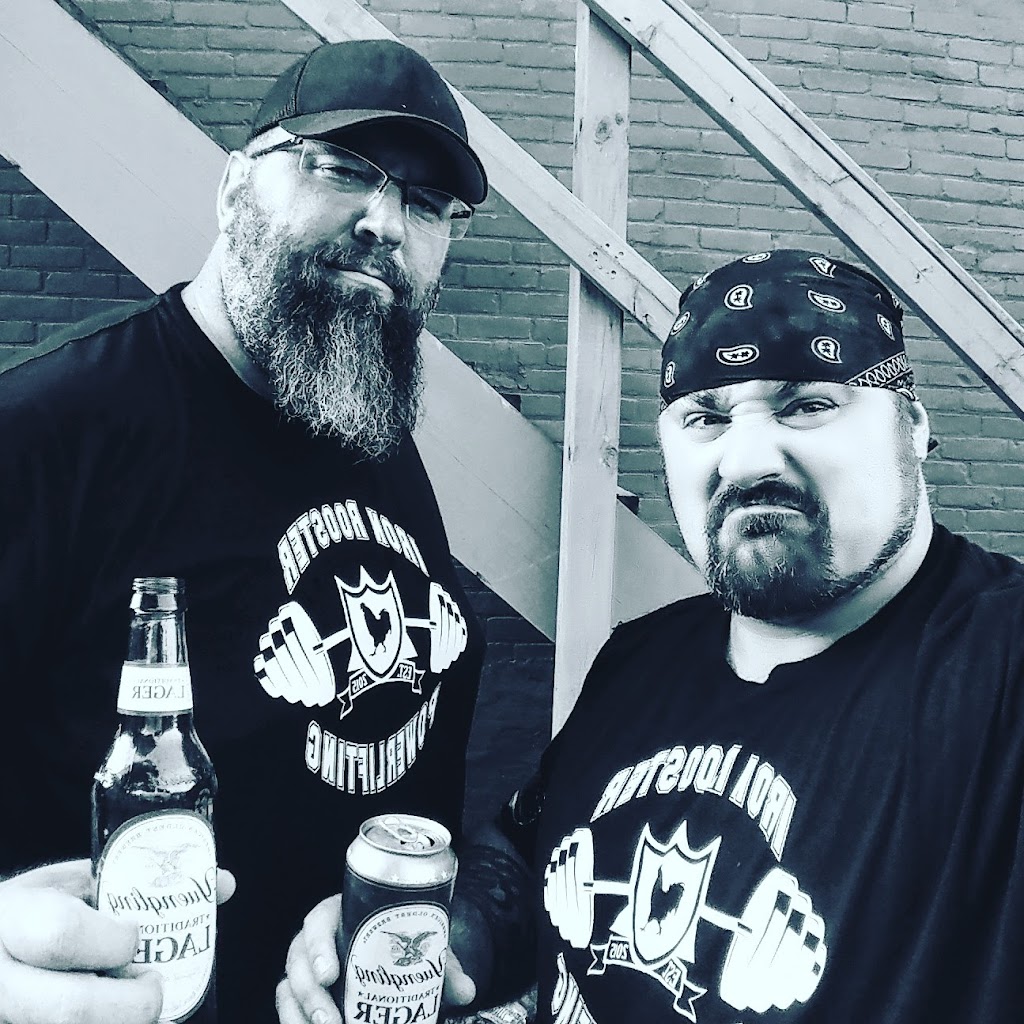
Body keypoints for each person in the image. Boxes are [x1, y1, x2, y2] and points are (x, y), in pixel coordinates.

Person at [281, 248, 1024, 1022]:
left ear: (912, 426)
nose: (747, 460)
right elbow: (522, 858)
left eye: (807, 405)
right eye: (707, 418)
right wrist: (443, 939)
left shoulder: (1000, 668)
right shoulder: (639, 658)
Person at [0, 38, 490, 1024]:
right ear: (233, 188)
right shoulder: (48, 431)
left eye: (429, 203)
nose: (385, 222)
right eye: (340, 168)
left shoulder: (371, 429)